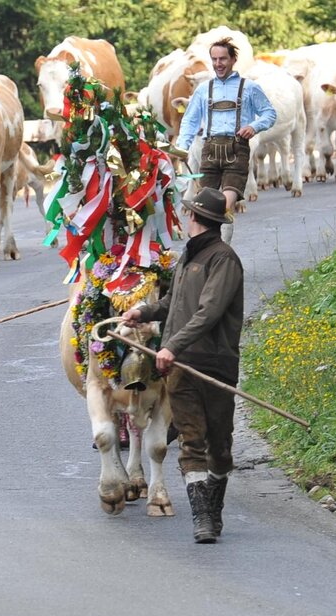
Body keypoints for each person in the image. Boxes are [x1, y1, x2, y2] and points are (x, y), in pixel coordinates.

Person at [121, 188, 244, 544]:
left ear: (193, 217)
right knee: (191, 440)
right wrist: (142, 312)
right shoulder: (188, 257)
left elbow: (209, 311)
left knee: (219, 445)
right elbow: (173, 303)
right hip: (180, 366)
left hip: (214, 364)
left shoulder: (223, 260)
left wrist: (171, 345)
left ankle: (214, 508)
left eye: (187, 212)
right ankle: (202, 518)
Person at [176, 37, 277, 243]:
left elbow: (269, 113)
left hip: (236, 150)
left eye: (223, 59)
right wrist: (181, 148)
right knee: (202, 207)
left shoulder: (249, 87)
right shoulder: (204, 89)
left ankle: (222, 249)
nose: (218, 64)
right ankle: (206, 248)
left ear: (232, 60)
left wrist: (253, 126)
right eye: (214, 59)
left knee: (224, 205)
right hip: (209, 150)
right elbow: (190, 121)